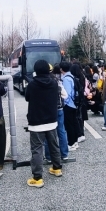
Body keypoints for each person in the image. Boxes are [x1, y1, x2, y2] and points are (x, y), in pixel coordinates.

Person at [25, 60, 63, 188]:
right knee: (54, 144)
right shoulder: (54, 83)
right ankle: (57, 168)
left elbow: (27, 98)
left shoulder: (32, 84)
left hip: (36, 121)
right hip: (52, 120)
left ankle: (37, 178)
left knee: (37, 149)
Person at [45, 64, 69, 163]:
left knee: (48, 132)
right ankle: (64, 154)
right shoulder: (57, 81)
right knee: (61, 131)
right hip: (59, 109)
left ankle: (49, 156)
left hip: (47, 110)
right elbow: (65, 95)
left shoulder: (42, 82)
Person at [60, 61, 81, 150]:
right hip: (74, 104)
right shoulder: (71, 76)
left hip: (69, 105)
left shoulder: (66, 79)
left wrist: (64, 104)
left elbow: (66, 95)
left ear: (61, 69)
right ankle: (75, 142)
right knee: (73, 123)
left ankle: (71, 143)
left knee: (69, 125)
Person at [70, 63, 87, 143]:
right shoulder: (82, 76)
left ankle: (80, 134)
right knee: (80, 117)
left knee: (77, 117)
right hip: (82, 99)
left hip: (77, 100)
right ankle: (81, 132)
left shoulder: (75, 78)